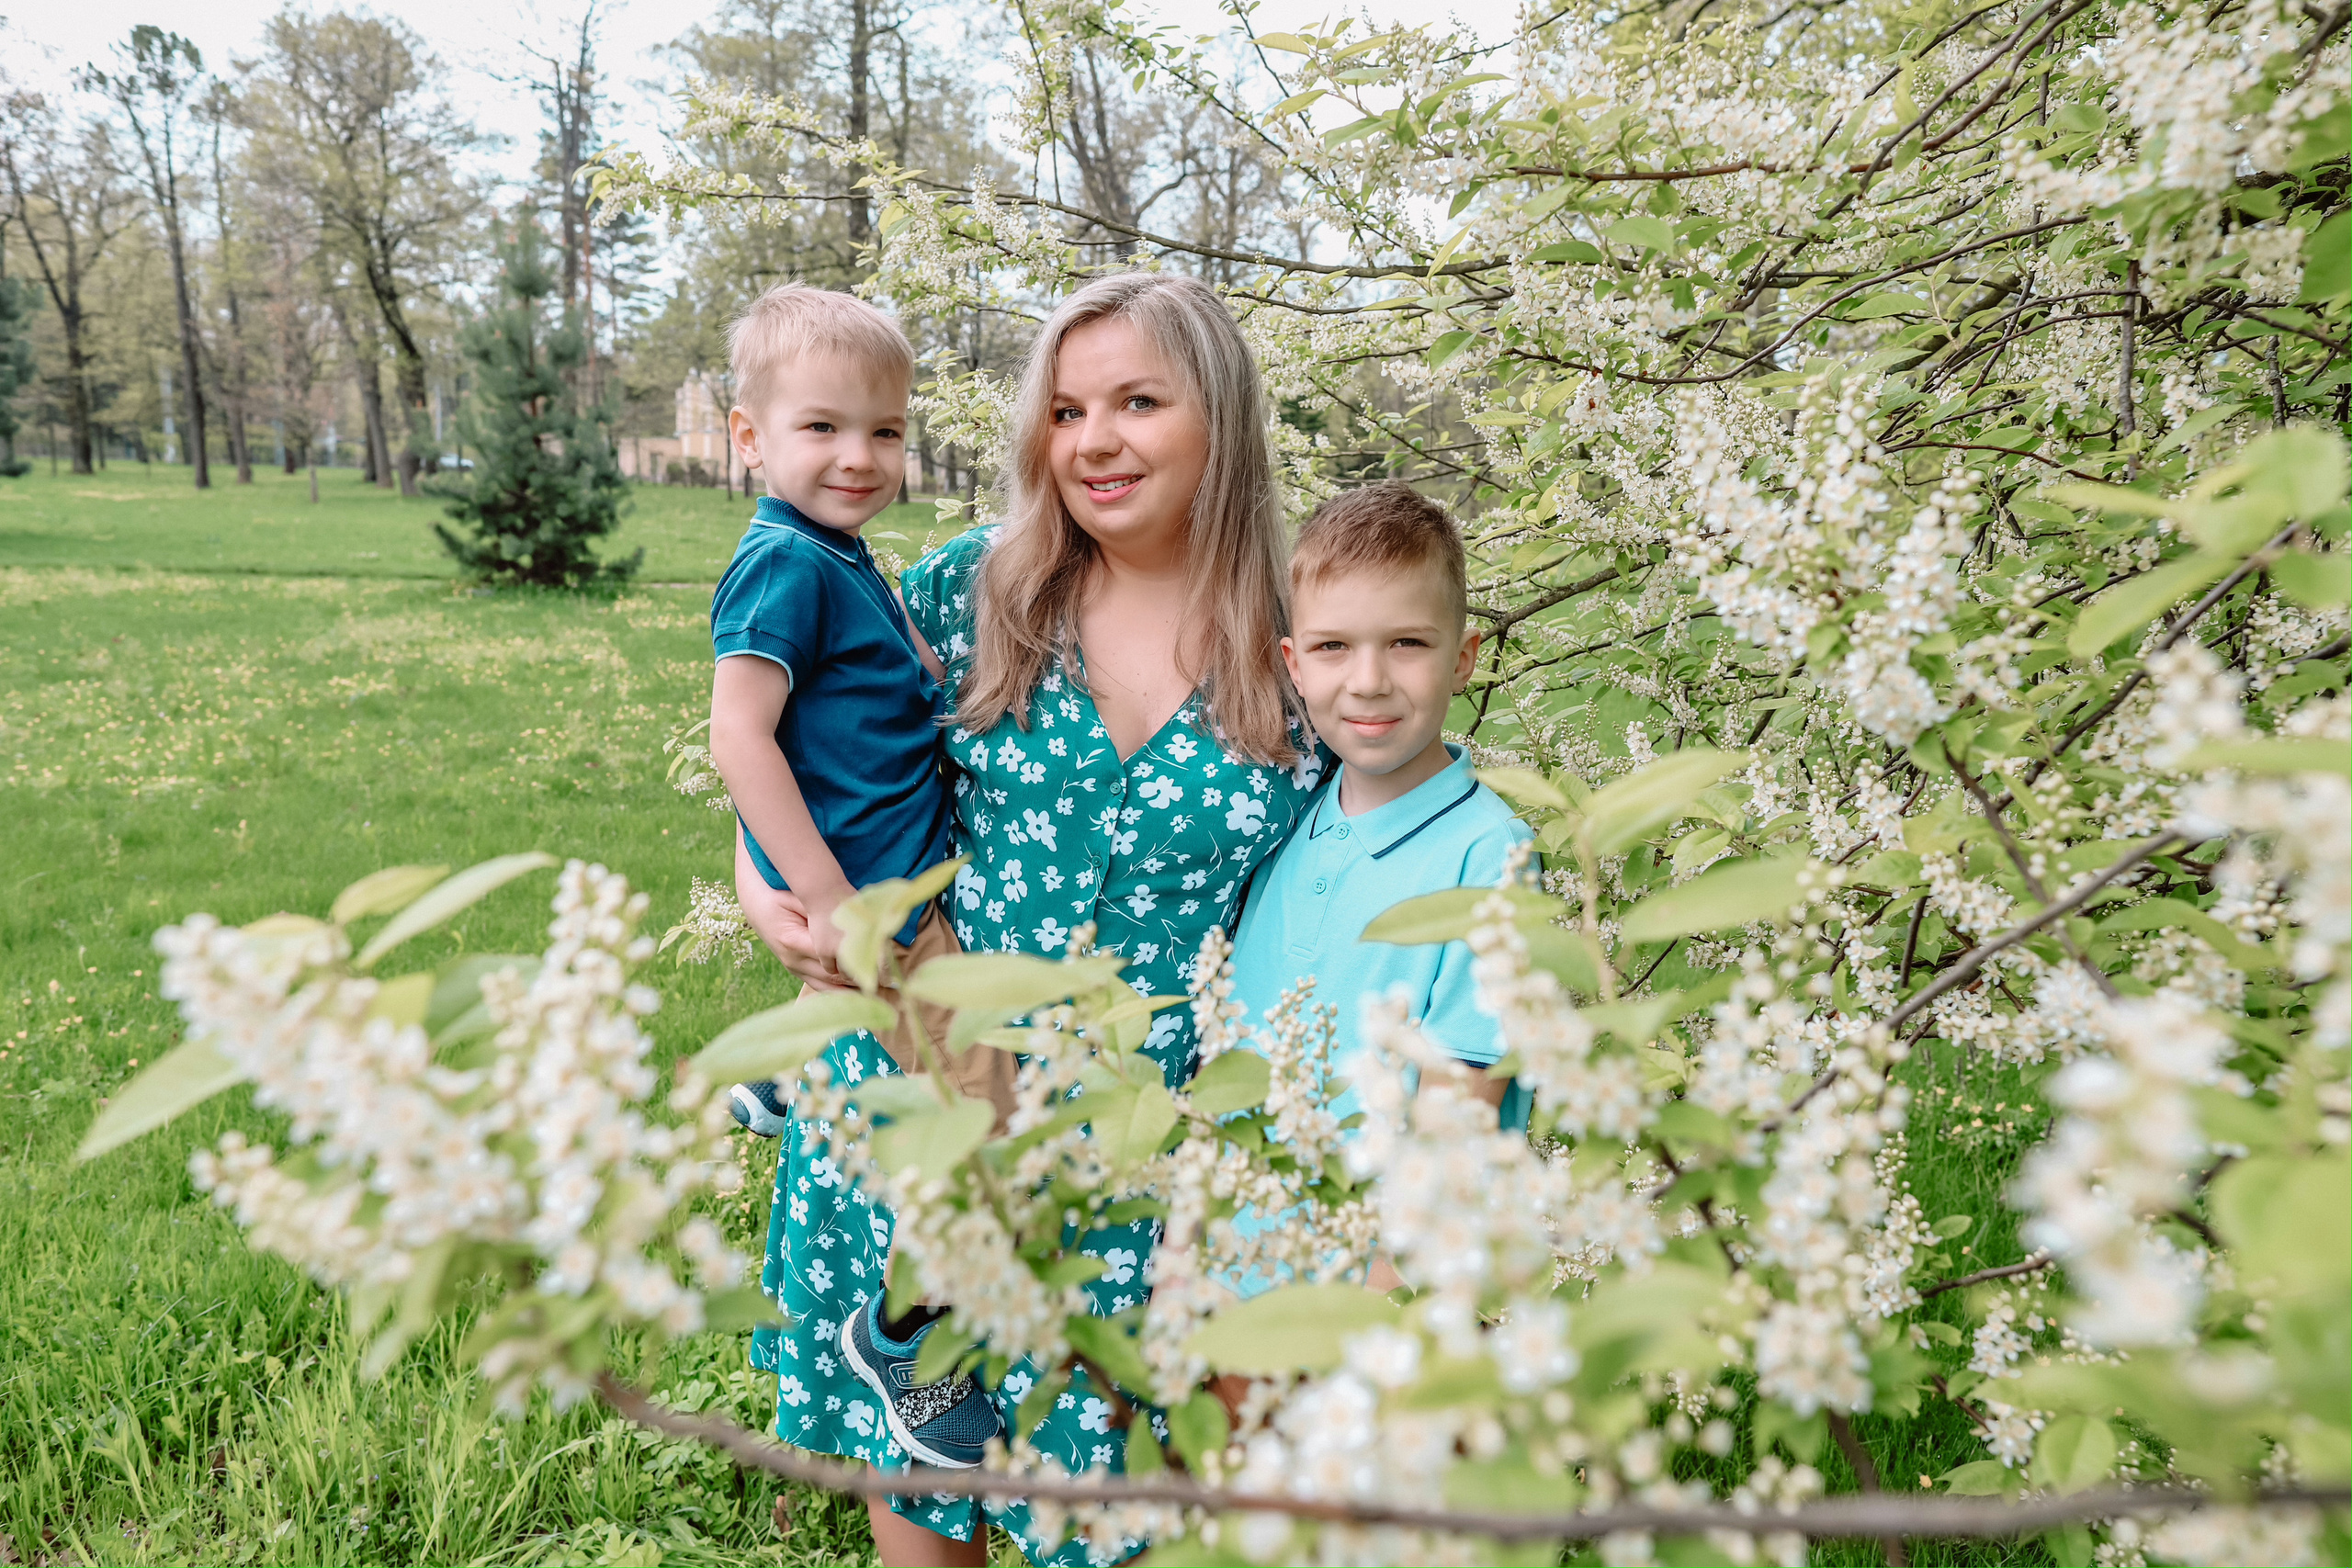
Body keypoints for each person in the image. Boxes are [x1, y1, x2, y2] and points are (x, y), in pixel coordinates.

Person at [734, 271, 1322, 1567]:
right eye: (1066, 410)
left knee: (1111, 1516)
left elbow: (1360, 878)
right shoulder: (973, 592)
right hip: (926, 1104)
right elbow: (805, 737)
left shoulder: (1302, 648)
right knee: (924, 1495)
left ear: (1219, 417)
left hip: (1139, 1153)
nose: (1095, 441)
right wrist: (756, 883)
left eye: (1137, 403)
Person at [702, 283, 1011, 1488]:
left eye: (884, 429)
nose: (859, 455)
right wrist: (828, 899)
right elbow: (741, 737)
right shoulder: (784, 562)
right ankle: (908, 1335)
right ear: (749, 437)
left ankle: (798, 1064)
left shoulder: (835, 554)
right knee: (980, 1115)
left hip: (894, 880)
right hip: (878, 905)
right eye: (822, 426)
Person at [1222, 482, 1531, 1296]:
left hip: (1364, 1304)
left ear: (1462, 657)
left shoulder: (1488, 857)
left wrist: (1376, 1316)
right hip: (1230, 1280)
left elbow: (1457, 1124)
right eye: (1332, 646)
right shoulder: (1293, 814)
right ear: (1293, 662)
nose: (1367, 680)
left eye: (1406, 643)